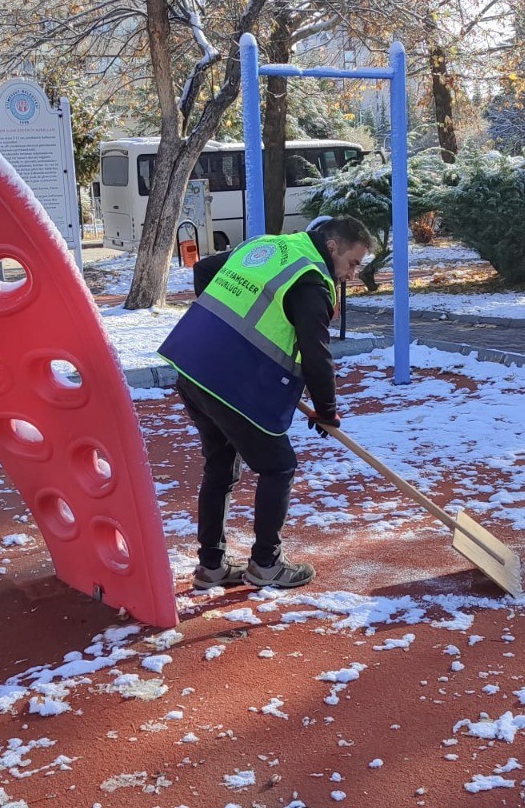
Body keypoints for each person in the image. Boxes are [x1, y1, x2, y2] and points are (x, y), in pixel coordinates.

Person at [158, 214, 374, 590]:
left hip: (192, 364)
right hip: (231, 381)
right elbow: (315, 354)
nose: (352, 274)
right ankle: (266, 564)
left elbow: (205, 269)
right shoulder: (312, 281)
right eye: (353, 263)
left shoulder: (269, 245)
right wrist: (326, 410)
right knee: (279, 466)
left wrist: (221, 329)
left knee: (221, 465)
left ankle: (211, 566)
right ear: (333, 246)